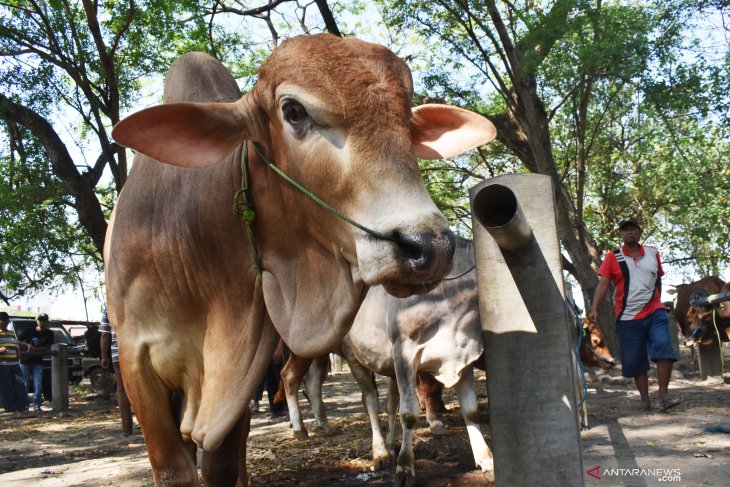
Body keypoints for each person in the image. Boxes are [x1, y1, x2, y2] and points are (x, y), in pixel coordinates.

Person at [589, 217, 680, 412]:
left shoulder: (652, 252)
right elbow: (603, 284)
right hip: (628, 316)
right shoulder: (613, 257)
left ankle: (664, 396)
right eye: (625, 230)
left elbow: (658, 278)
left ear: (639, 232)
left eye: (633, 229)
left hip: (655, 310)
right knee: (636, 359)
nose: (629, 232)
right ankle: (645, 399)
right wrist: (594, 308)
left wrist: (657, 298)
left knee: (664, 348)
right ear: (621, 235)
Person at [99, 310, 133, 436]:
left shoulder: (109, 308)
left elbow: (105, 335)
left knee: (122, 390)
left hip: (118, 354)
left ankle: (127, 429)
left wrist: (104, 356)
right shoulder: (135, 296)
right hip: (137, 352)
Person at [17, 313, 54, 412]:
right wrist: (27, 345)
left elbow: (47, 347)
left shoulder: (49, 333)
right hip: (25, 362)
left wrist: (34, 349)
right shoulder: (29, 331)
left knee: (38, 385)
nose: (42, 322)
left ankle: (37, 406)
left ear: (47, 322)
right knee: (24, 385)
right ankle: (24, 406)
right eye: (40, 320)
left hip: (37, 362)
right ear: (37, 321)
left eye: (44, 320)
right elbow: (17, 341)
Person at [0, 312, 33, 418]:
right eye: (2, 321)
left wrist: (18, 350)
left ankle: (23, 408)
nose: (4, 323)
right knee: (7, 386)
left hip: (15, 363)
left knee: (21, 384)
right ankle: (11, 409)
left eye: (5, 321)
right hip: (3, 364)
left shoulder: (11, 333)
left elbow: (15, 343)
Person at [251, 337, 288, 420]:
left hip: (279, 351)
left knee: (281, 380)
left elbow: (281, 333)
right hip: (267, 352)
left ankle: (285, 407)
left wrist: (279, 349)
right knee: (270, 381)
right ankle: (275, 410)